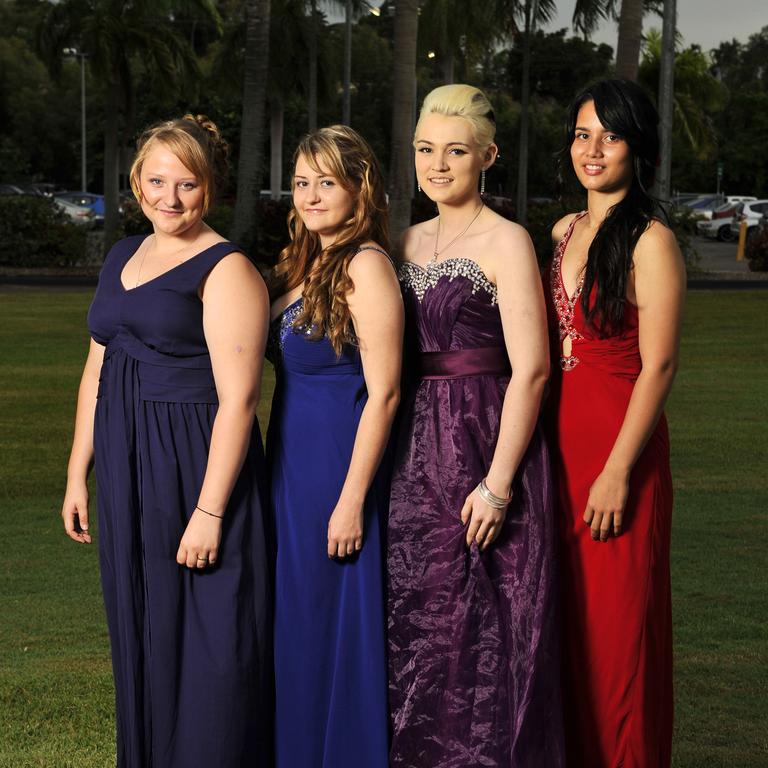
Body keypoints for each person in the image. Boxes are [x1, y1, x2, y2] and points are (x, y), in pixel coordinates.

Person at [61, 115, 272, 767]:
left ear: (209, 187)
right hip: (125, 461)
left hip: (194, 462)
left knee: (209, 641)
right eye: (157, 181)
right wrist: (78, 471)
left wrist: (209, 513)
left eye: (186, 183)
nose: (170, 198)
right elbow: (98, 364)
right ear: (137, 182)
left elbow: (240, 399)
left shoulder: (226, 267)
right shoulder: (124, 253)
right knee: (143, 623)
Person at [388, 83, 564, 767]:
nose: (437, 165)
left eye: (454, 151)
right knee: (417, 622)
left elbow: (535, 370)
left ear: (486, 156)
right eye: (425, 150)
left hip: (484, 440)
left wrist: (497, 486)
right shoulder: (404, 238)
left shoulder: (507, 239)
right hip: (410, 456)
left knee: (486, 628)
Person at [546, 79, 685, 768]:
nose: (592, 149)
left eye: (610, 135)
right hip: (559, 455)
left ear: (639, 147)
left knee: (617, 640)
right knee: (565, 633)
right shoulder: (562, 232)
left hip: (616, 458)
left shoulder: (652, 241)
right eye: (581, 134)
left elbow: (659, 367)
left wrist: (618, 473)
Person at [266, 125, 402, 767]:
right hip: (288, 465)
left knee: (326, 619)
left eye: (327, 182)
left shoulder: (366, 265)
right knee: (295, 624)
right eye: (301, 182)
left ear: (359, 188)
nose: (311, 195)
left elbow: (385, 394)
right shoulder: (301, 262)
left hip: (334, 471)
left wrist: (351, 501)